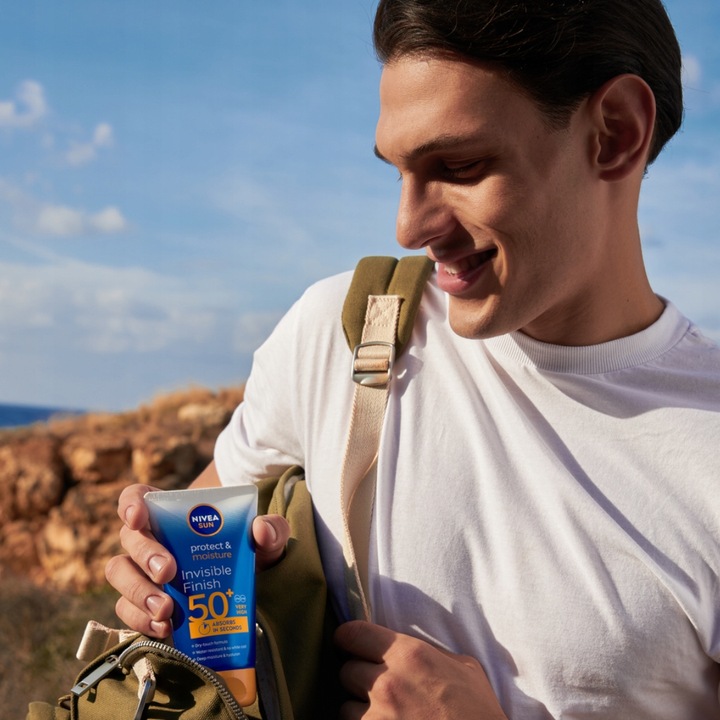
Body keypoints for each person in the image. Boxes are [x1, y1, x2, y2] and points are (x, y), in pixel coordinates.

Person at [105, 0, 720, 717]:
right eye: (398, 171)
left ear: (616, 132)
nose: (408, 226)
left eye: (459, 166)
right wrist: (160, 577)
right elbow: (198, 530)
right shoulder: (341, 332)